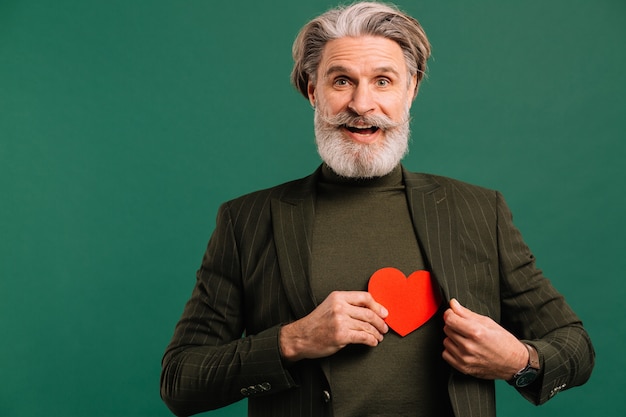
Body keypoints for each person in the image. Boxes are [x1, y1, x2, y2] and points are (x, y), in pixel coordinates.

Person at [160, 2, 595, 416]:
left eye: (383, 81)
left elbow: (575, 347)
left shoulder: (479, 211)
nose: (362, 104)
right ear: (313, 92)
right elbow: (180, 382)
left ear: (411, 90)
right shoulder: (246, 220)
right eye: (341, 81)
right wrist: (291, 341)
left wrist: (519, 361)